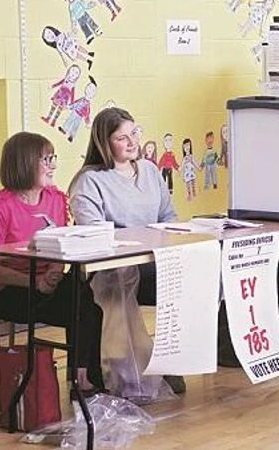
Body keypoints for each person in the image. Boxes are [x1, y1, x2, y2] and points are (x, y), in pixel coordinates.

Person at [69, 106, 187, 394]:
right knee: (119, 278)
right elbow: (94, 232)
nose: (133, 142)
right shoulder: (89, 180)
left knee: (193, 277)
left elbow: (169, 217)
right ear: (104, 143)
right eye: (122, 138)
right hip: (110, 268)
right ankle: (118, 369)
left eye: (134, 133)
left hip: (153, 260)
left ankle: (169, 360)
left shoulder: (149, 170)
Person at [0, 132, 104, 393]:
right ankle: (83, 381)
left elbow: (62, 243)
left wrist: (53, 274)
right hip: (15, 289)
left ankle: (81, 376)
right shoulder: (0, 205)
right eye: (47, 159)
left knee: (86, 301)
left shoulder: (56, 199)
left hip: (48, 282)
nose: (53, 165)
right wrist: (35, 282)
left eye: (53, 158)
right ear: (24, 163)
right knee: (82, 305)